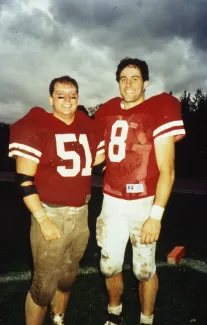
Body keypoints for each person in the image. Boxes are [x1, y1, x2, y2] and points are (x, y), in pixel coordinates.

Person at [95, 57, 186, 325]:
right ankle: (115, 315)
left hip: (144, 202)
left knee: (144, 270)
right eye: (123, 78)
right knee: (108, 265)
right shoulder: (107, 111)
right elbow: (99, 155)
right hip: (112, 200)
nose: (129, 83)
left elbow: (167, 171)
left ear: (145, 82)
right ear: (118, 83)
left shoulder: (160, 109)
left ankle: (146, 320)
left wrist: (155, 216)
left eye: (135, 78)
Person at [9, 75, 105, 325]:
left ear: (78, 98)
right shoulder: (39, 124)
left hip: (81, 213)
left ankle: (59, 319)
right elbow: (24, 180)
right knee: (43, 286)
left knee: (67, 277)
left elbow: (97, 162)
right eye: (60, 95)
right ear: (51, 99)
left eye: (72, 95)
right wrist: (42, 219)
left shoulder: (85, 126)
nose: (67, 100)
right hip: (50, 213)